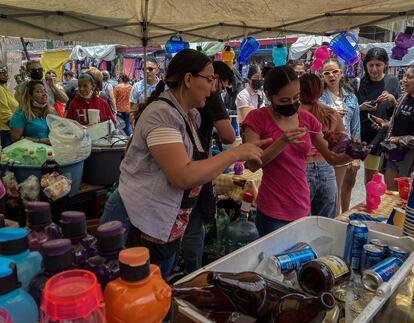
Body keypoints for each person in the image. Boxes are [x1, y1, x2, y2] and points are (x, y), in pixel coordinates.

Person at [100, 49, 268, 279]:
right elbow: (182, 175)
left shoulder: (190, 116)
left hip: (163, 220)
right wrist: (234, 154)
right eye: (209, 80)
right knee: (137, 297)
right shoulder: (161, 115)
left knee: (157, 291)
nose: (212, 88)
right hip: (137, 218)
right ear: (189, 79)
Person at [243, 66, 353, 236]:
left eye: (296, 98)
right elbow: (252, 165)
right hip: (273, 208)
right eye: (284, 100)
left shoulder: (307, 119)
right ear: (268, 95)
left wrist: (353, 153)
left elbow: (331, 158)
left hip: (302, 204)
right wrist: (282, 141)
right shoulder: (257, 119)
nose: (292, 104)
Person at [182, 60, 236, 274]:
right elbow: (229, 135)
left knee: (184, 222)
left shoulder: (179, 103)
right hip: (196, 164)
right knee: (194, 223)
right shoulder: (211, 97)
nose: (217, 89)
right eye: (212, 80)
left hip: (187, 161)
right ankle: (192, 272)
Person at [300, 73, 346, 218]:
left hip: (301, 170)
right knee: (324, 224)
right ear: (320, 90)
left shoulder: (293, 115)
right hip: (326, 169)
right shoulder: (331, 113)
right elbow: (343, 142)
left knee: (302, 225)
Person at [320, 59, 361, 213]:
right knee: (334, 192)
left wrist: (356, 154)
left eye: (335, 71)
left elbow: (355, 126)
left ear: (341, 73)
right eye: (327, 73)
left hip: (348, 149)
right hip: (328, 150)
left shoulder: (351, 97)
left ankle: (345, 215)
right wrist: (333, 116)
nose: (331, 75)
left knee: (347, 187)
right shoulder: (319, 99)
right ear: (322, 76)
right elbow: (316, 125)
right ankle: (337, 220)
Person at [356, 47, 401, 184]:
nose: (374, 69)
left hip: (377, 139)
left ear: (385, 65)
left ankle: (371, 204)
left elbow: (398, 114)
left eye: (378, 65)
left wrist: (393, 101)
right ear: (365, 66)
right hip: (356, 138)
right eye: (371, 65)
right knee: (349, 178)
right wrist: (361, 107)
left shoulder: (393, 82)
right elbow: (348, 110)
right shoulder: (358, 83)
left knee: (371, 179)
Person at [371, 66, 414, 189]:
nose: (404, 80)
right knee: (390, 195)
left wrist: (399, 139)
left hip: (410, 158)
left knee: (406, 198)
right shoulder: (403, 98)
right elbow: (396, 123)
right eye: (404, 76)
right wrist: (384, 124)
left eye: (409, 77)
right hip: (393, 153)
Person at [0, 65, 19, 147]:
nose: (6, 75)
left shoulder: (3, 87)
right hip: (7, 130)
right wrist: (16, 128)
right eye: (2, 73)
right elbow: (4, 113)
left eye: (6, 73)